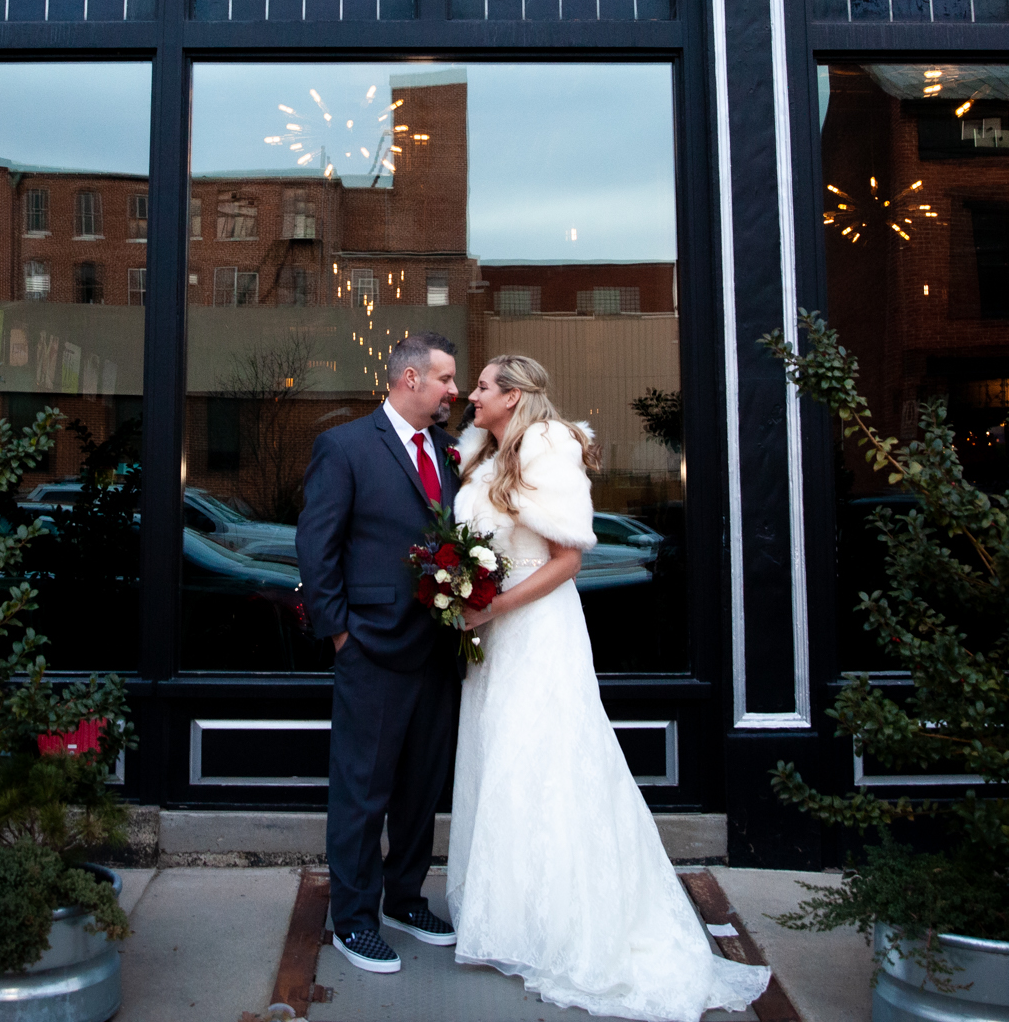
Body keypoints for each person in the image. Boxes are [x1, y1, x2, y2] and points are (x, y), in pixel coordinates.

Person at [448, 354, 772, 1021]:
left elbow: (568, 558)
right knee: (504, 765)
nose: (471, 395)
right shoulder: (481, 452)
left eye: (481, 386)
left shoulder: (547, 445)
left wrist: (495, 605)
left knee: (548, 764)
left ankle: (567, 924)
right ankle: (511, 918)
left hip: (536, 629)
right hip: (492, 636)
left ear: (511, 396)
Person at [295, 331, 466, 976]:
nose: (455, 390)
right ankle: (356, 919)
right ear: (410, 380)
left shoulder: (450, 452)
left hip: (438, 650)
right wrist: (340, 632)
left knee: (421, 788)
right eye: (446, 379)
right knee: (362, 792)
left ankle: (404, 899)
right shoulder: (344, 447)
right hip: (371, 645)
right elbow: (317, 545)